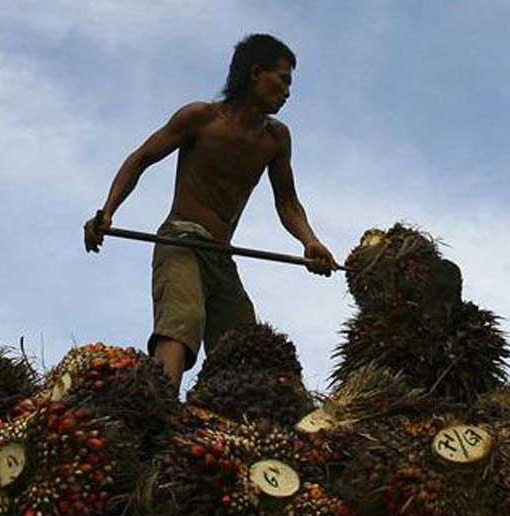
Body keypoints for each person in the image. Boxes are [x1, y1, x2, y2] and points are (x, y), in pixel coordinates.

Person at [83, 33, 336, 393]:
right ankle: (160, 410)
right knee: (184, 319)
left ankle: (234, 422)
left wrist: (310, 242)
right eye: (283, 79)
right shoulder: (201, 118)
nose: (288, 92)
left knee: (244, 345)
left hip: (222, 256)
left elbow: (288, 203)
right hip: (181, 240)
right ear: (255, 73)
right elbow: (141, 159)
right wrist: (106, 212)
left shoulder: (276, 139)